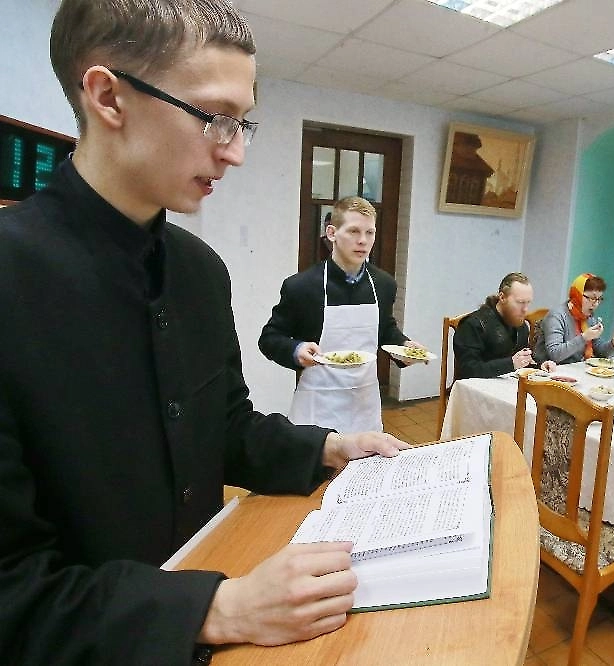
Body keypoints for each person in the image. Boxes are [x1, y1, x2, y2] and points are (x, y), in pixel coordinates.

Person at [0, 2, 407, 662]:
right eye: (216, 118)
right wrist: (219, 608)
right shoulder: (12, 277)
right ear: (109, 97)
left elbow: (224, 429)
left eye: (243, 123)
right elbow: (12, 592)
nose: (237, 152)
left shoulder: (198, 271)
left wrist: (328, 448)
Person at [259, 196, 424, 433]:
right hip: (318, 404)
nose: (363, 241)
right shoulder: (301, 286)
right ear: (332, 233)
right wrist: (296, 350)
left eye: (370, 232)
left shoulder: (384, 284)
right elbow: (270, 338)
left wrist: (405, 348)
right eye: (354, 231)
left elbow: (385, 329)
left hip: (364, 403)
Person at [453, 272, 556, 379]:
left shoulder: (521, 326)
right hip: (476, 391)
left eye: (528, 302)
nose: (525, 309)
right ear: (502, 297)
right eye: (520, 302)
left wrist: (540, 366)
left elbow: (522, 361)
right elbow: (468, 370)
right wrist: (511, 364)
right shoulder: (473, 324)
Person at [534, 273, 614, 364]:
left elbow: (599, 351)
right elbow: (555, 355)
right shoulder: (557, 316)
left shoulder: (588, 317)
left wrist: (613, 344)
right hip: (550, 371)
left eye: (599, 299)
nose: (595, 304)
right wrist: (584, 337)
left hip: (575, 369)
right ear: (577, 295)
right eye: (591, 298)